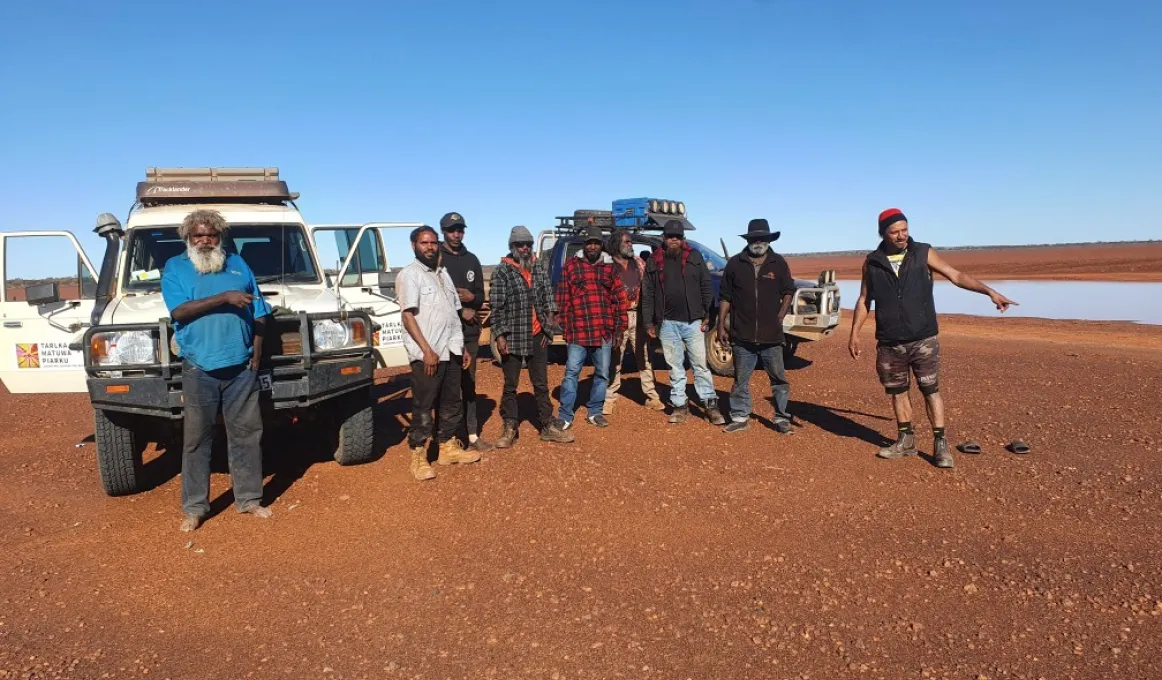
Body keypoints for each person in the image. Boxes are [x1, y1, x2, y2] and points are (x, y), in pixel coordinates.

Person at [849, 208, 1018, 469]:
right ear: (883, 233)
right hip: (890, 342)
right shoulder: (872, 262)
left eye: (904, 229)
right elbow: (863, 300)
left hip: (923, 339)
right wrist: (854, 334)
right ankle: (906, 441)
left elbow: (956, 275)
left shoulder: (923, 252)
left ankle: (941, 445)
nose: (901, 235)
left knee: (930, 389)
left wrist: (989, 292)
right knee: (898, 392)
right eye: (894, 231)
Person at [161, 209, 273, 533]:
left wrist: (258, 351)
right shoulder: (176, 268)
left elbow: (260, 311)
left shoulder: (238, 265)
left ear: (220, 236)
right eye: (198, 235)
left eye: (211, 234)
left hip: (241, 366)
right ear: (188, 239)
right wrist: (224, 297)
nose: (205, 240)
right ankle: (195, 508)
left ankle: (250, 499)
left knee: (247, 435)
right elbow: (179, 310)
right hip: (199, 367)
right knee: (197, 439)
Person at [398, 226, 479, 481]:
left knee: (450, 402)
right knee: (423, 405)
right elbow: (408, 315)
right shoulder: (410, 275)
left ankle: (447, 447)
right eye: (424, 243)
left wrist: (462, 347)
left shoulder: (442, 274)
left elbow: (453, 315)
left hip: (451, 350)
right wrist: (426, 350)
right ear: (414, 246)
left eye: (433, 242)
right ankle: (418, 456)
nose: (430, 247)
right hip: (428, 354)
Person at [489, 226, 574, 446]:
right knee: (510, 384)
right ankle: (510, 426)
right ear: (512, 246)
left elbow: (548, 297)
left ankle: (546, 425)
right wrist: (499, 336)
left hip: (538, 335)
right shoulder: (502, 271)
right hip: (513, 335)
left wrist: (548, 325)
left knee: (541, 383)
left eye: (528, 244)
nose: (525, 248)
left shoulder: (537, 267)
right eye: (520, 245)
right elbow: (497, 307)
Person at [642, 220, 725, 425]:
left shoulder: (694, 257)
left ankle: (710, 404)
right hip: (667, 323)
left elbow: (706, 285)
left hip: (693, 322)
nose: (674, 240)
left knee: (700, 365)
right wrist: (648, 322)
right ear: (664, 237)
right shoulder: (655, 260)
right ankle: (680, 405)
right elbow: (648, 293)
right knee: (675, 366)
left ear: (682, 239)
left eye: (677, 237)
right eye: (670, 236)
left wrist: (707, 314)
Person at [717, 219, 796, 434]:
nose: (758, 242)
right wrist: (721, 325)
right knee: (740, 380)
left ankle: (781, 418)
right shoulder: (735, 264)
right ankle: (740, 417)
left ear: (769, 240)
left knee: (779, 379)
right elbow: (725, 297)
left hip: (771, 336)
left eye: (763, 238)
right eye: (754, 238)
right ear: (748, 240)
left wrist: (780, 316)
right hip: (742, 335)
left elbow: (789, 291)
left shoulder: (778, 263)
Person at [555, 224, 629, 429]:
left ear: (601, 245)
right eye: (589, 243)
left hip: (603, 331)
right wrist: (566, 325)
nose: (593, 246)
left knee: (602, 373)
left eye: (596, 243)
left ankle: (595, 412)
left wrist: (619, 329)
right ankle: (565, 414)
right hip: (578, 331)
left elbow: (619, 299)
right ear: (584, 244)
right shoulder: (571, 265)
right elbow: (562, 298)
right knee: (571, 373)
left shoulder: (610, 267)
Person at [437, 211, 492, 452]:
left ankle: (471, 434)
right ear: (444, 232)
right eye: (452, 230)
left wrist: (473, 298)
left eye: (460, 229)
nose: (457, 233)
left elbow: (480, 297)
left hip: (468, 334)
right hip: (442, 333)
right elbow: (435, 299)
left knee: (468, 384)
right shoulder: (437, 259)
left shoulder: (472, 260)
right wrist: (461, 311)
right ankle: (443, 437)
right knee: (443, 385)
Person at [604, 228, 665, 413]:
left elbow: (649, 288)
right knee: (615, 357)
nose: (631, 245)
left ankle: (652, 396)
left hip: (638, 314)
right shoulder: (607, 265)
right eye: (627, 242)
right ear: (616, 245)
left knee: (644, 356)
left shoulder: (638, 262)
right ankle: (609, 398)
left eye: (631, 242)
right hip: (617, 317)